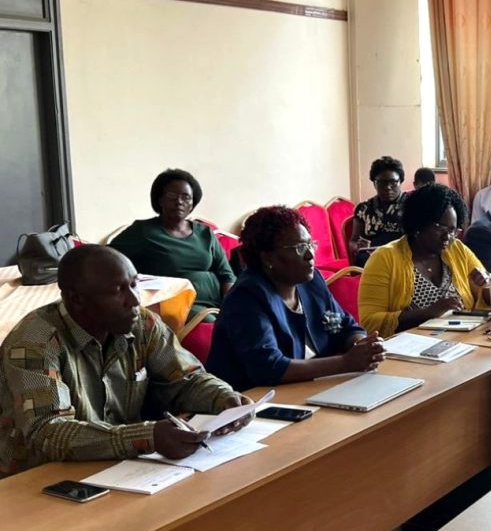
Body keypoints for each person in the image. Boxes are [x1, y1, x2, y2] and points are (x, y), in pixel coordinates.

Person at [0, 245, 251, 477]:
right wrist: (147, 437)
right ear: (76, 300)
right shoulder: (35, 342)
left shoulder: (142, 322)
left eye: (134, 285)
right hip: (35, 479)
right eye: (118, 290)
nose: (134, 300)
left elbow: (186, 379)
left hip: (115, 468)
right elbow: (49, 433)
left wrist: (223, 398)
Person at [206, 206, 384, 392]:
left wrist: (361, 346)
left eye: (310, 244)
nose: (310, 255)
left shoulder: (311, 281)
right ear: (267, 258)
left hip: (312, 387)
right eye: (299, 248)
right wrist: (346, 362)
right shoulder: (246, 298)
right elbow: (268, 367)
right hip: (254, 401)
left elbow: (346, 326)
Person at [359, 184, 489, 337]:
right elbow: (369, 322)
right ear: (418, 223)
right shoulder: (384, 259)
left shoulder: (457, 250)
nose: (447, 237)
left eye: (453, 230)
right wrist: (427, 313)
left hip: (461, 343)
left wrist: (486, 284)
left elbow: (485, 298)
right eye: (439, 227)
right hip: (407, 351)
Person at [110, 168, 234, 315]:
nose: (179, 202)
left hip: (219, 305)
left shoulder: (205, 233)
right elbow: (108, 258)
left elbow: (227, 275)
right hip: (178, 308)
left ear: (193, 202)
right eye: (172, 195)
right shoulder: (143, 231)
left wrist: (231, 305)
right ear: (160, 199)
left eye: (186, 197)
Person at [349, 156, 406, 267]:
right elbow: (353, 241)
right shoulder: (363, 208)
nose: (388, 187)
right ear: (374, 183)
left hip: (401, 258)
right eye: (382, 183)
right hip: (370, 259)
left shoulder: (412, 206)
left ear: (400, 182)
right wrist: (358, 247)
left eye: (393, 182)